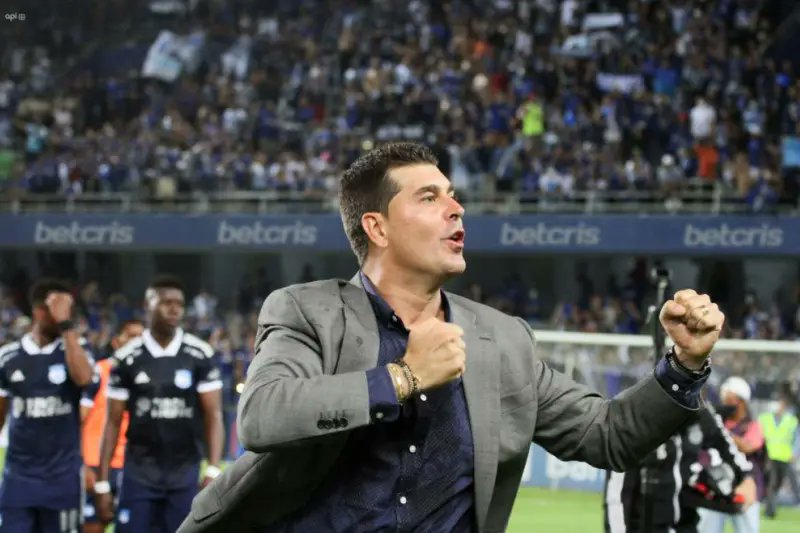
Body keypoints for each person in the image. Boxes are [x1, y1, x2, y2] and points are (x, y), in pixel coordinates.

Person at [178, 142, 726, 533]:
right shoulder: (308, 311)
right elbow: (264, 415)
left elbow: (607, 435)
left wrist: (683, 365)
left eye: (453, 195)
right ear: (377, 228)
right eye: (429, 197)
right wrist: (402, 377)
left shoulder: (502, 340)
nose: (456, 207)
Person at [94, 275, 224, 533]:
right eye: (166, 303)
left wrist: (213, 469)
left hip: (184, 474)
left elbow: (214, 415)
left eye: (179, 304)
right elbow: (112, 422)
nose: (175, 309)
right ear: (148, 306)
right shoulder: (126, 358)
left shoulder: (200, 355)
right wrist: (102, 483)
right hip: (138, 474)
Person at [0, 279, 96, 533]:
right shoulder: (8, 358)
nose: (67, 316)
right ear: (40, 311)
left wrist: (66, 326)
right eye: (60, 309)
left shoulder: (76, 353)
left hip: (62, 481)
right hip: (18, 481)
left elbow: (84, 378)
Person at [603, 404, 756, 532]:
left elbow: (728, 448)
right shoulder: (637, 412)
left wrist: (747, 478)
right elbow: (617, 491)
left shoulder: (701, 412)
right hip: (643, 523)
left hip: (685, 522)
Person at [81, 319, 144, 533]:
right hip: (97, 464)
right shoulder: (98, 372)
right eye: (131, 336)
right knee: (93, 526)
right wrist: (82, 464)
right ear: (117, 341)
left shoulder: (149, 374)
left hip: (132, 466)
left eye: (141, 338)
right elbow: (78, 420)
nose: (137, 342)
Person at [697, 376, 765, 532]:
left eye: (729, 399)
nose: (725, 403)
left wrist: (721, 432)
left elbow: (748, 447)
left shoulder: (752, 425)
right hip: (717, 486)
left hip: (744, 486)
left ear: (741, 401)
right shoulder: (718, 420)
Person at [759, 392, 799, 518]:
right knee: (772, 483)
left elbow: (797, 438)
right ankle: (770, 511)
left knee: (783, 483)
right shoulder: (764, 418)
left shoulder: (791, 420)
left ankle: (774, 507)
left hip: (785, 457)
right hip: (769, 456)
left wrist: (795, 452)